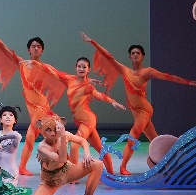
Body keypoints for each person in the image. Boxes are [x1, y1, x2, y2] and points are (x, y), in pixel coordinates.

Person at [81, 34, 196, 175]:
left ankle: (123, 167)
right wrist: (92, 42)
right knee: (155, 141)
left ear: (142, 57)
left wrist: (187, 82)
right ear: (130, 57)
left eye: (138, 53)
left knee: (133, 135)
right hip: (136, 111)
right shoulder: (125, 71)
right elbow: (109, 57)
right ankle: (171, 164)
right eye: (133, 53)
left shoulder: (147, 71)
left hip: (144, 110)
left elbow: (167, 76)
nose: (135, 55)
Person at [0, 27, 67, 176]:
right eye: (33, 46)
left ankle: (27, 167)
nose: (36, 48)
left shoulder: (46, 68)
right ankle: (61, 164)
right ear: (28, 49)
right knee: (47, 136)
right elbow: (5, 50)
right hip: (32, 107)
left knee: (33, 134)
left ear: (42, 50)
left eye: (39, 46)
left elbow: (64, 77)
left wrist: (84, 80)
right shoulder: (22, 64)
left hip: (41, 106)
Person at [55, 56, 127, 174]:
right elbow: (54, 72)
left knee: (74, 144)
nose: (81, 69)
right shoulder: (70, 80)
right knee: (100, 148)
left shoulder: (88, 87)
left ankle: (73, 175)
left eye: (84, 67)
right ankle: (111, 173)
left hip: (88, 120)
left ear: (88, 69)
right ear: (75, 68)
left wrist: (112, 101)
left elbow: (99, 95)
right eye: (79, 66)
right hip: (80, 120)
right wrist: (36, 64)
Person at [29, 114, 104, 195]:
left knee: (98, 164)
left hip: (67, 170)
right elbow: (62, 159)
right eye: (49, 130)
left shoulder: (64, 135)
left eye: (55, 129)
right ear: (43, 131)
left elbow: (82, 140)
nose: (53, 133)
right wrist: (63, 136)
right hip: (51, 180)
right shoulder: (42, 147)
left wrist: (87, 153)